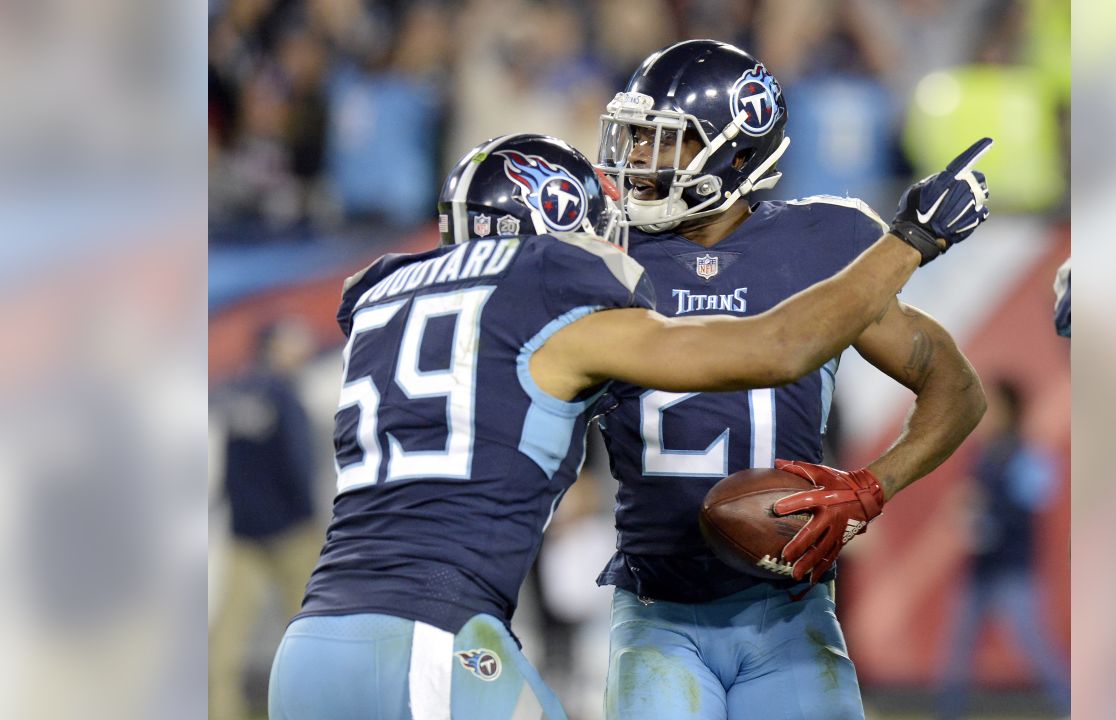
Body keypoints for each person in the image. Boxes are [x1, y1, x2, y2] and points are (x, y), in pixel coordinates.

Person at [267, 131, 990, 720]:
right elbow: (775, 348)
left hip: (311, 643)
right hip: (434, 639)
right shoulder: (545, 293)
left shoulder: (384, 293)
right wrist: (910, 240)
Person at [593, 40, 989, 719]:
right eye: (634, 140)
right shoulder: (602, 254)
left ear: (736, 155)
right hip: (656, 612)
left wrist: (872, 486)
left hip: (790, 615)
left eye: (665, 143)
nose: (637, 162)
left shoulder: (822, 242)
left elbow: (956, 389)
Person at [936, 378, 1070, 719]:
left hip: (1014, 569)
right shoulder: (980, 454)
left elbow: (1032, 503)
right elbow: (971, 501)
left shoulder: (1029, 454)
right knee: (957, 651)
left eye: (992, 407)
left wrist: (987, 520)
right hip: (981, 569)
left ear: (1010, 410)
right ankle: (947, 714)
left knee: (1037, 648)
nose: (985, 416)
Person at [211, 319, 322, 720]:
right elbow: (298, 463)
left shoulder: (236, 390)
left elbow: (228, 467)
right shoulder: (283, 394)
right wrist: (310, 515)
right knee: (309, 635)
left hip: (245, 532)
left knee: (226, 640)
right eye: (294, 339)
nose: (303, 346)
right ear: (273, 346)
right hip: (291, 532)